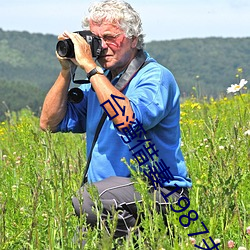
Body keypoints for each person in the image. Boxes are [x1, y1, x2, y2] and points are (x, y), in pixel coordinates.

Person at [40, 0, 192, 245]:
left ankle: (144, 240)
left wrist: (90, 67)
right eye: (96, 39)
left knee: (88, 199)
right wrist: (66, 70)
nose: (102, 47)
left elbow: (128, 121)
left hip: (160, 191)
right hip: (111, 199)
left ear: (133, 38)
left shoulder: (154, 77)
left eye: (110, 37)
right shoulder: (99, 83)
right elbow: (49, 122)